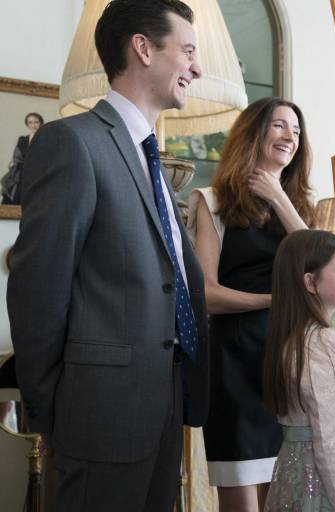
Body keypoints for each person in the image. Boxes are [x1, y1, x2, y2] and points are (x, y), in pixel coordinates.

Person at [7, 1, 209, 510]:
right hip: (96, 417)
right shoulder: (71, 143)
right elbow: (37, 290)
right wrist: (51, 411)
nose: (196, 67)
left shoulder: (151, 160)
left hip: (162, 405)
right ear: (142, 48)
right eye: (186, 50)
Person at [187, 97, 314, 511]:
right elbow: (206, 293)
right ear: (253, 133)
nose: (289, 137)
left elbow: (319, 266)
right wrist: (276, 300)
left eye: (296, 131)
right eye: (279, 126)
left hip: (291, 363)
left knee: (290, 493)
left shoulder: (297, 207)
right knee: (241, 493)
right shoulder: (213, 201)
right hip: (234, 363)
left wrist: (279, 198)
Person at [262, 229, 335, 511]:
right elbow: (330, 444)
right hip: (322, 484)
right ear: (311, 282)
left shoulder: (304, 339)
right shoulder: (317, 347)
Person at [2, 112, 44, 204]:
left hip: (39, 171)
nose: (33, 125)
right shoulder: (23, 140)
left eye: (36, 122)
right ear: (27, 124)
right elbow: (17, 157)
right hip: (22, 171)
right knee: (13, 187)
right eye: (30, 122)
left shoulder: (45, 139)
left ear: (41, 123)